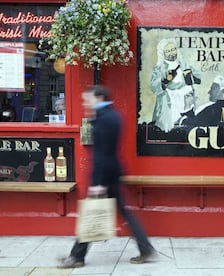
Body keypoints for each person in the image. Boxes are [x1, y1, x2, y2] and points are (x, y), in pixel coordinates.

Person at [58, 85, 155, 268]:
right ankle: (145, 249)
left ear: (100, 97)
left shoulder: (104, 119)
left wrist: (98, 183)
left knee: (91, 215)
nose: (85, 102)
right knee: (120, 212)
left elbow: (103, 153)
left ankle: (77, 257)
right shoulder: (113, 115)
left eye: (88, 99)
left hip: (105, 176)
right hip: (112, 173)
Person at [150, 38, 201, 132]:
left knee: (186, 129)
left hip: (187, 104)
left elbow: (198, 77)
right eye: (168, 51)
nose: (172, 53)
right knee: (171, 130)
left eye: (173, 49)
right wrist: (164, 81)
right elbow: (153, 86)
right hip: (170, 104)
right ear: (162, 53)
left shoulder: (183, 64)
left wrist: (191, 76)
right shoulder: (159, 68)